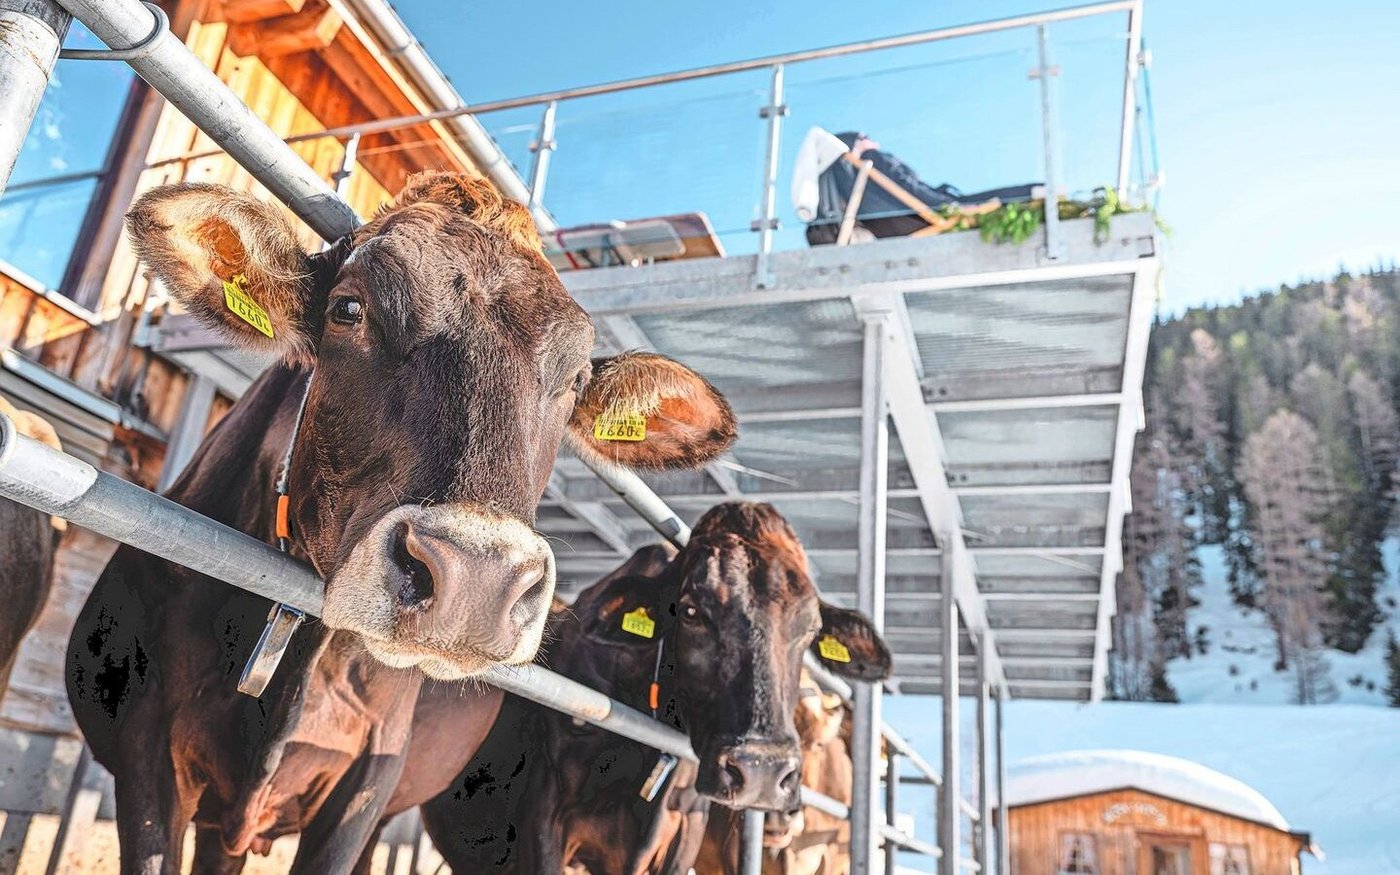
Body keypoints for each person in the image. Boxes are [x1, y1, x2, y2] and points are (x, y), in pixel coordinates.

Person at [800, 129, 1039, 245]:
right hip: (927, 212)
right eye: (867, 137)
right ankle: (1039, 193)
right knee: (1026, 192)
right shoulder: (873, 160)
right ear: (857, 144)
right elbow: (913, 189)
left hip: (899, 226)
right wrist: (950, 205)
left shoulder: (851, 186)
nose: (874, 142)